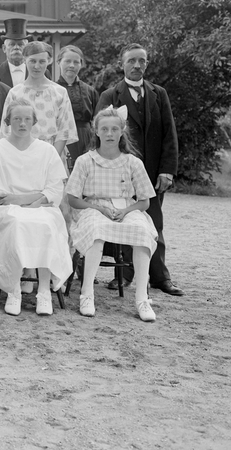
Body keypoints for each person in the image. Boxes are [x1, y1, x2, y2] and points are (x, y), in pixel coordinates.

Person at [95, 43, 182, 296]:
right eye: (131, 60)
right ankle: (124, 275)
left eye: (141, 61)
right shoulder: (110, 95)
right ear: (122, 64)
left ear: (146, 64)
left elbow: (169, 133)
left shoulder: (159, 94)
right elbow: (102, 136)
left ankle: (159, 277)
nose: (136, 65)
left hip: (153, 173)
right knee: (124, 221)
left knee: (154, 222)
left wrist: (167, 170)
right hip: (120, 174)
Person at [65, 107, 160, 322]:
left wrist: (126, 210)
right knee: (97, 231)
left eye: (114, 129)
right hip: (92, 208)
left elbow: (144, 202)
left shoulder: (133, 162)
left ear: (122, 131)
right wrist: (99, 208)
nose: (109, 134)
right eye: (105, 129)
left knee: (141, 231)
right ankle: (87, 293)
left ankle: (141, 298)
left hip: (126, 208)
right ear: (96, 131)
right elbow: (72, 199)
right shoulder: (85, 161)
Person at [0, 101, 73, 317]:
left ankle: (43, 291)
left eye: (27, 119)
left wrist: (24, 198)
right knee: (17, 223)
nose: (22, 123)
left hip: (40, 207)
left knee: (47, 223)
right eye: (17, 119)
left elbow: (54, 190)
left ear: (34, 122)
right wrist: (22, 199)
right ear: (8, 122)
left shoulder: (46, 150)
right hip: (7, 210)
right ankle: (13, 290)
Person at [0, 41, 77, 164]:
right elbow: (6, 130)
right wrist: (20, 157)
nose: (37, 66)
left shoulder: (59, 93)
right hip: (21, 156)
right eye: (32, 61)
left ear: (49, 61)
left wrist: (51, 159)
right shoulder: (15, 93)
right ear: (25, 60)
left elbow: (64, 130)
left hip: (52, 156)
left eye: (41, 62)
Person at [56, 45, 98, 166]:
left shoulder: (90, 91)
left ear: (81, 64)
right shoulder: (52, 90)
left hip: (86, 140)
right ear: (59, 62)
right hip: (61, 139)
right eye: (67, 61)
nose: (71, 65)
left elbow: (96, 120)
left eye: (76, 62)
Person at [0, 19, 28, 87]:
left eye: (20, 44)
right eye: (12, 44)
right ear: (4, 48)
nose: (16, 47)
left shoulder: (40, 71)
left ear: (27, 48)